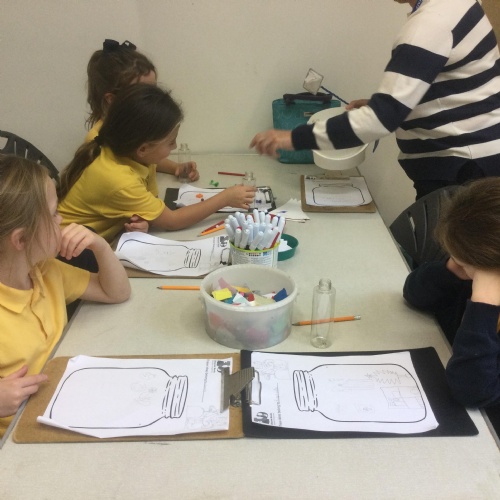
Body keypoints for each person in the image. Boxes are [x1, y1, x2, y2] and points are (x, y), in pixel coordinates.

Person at [250, 0, 500, 199]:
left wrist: (293, 138)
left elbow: (379, 121)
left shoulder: (430, 25)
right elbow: (456, 88)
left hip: (464, 169)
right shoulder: (457, 4)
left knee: (451, 249)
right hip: (477, 160)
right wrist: (382, 104)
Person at [0, 155, 131, 437]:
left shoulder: (44, 270)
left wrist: (100, 246)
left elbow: (116, 292)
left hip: (65, 400)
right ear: (21, 239)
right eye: (54, 214)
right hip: (20, 437)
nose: (62, 221)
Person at [58, 83, 256, 244]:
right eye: (170, 142)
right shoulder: (118, 179)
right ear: (143, 148)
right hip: (69, 253)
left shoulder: (121, 148)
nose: (175, 146)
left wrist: (147, 220)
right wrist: (225, 198)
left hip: (93, 240)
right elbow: (172, 221)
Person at [403, 178, 500, 409]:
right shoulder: (471, 274)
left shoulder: (484, 292)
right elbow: (414, 294)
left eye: (464, 262)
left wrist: (484, 305)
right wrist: (452, 270)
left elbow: (473, 393)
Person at [86, 39, 199, 182]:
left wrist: (175, 167)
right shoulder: (100, 142)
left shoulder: (133, 128)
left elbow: (144, 158)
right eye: (144, 93)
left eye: (154, 89)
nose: (154, 98)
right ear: (112, 99)